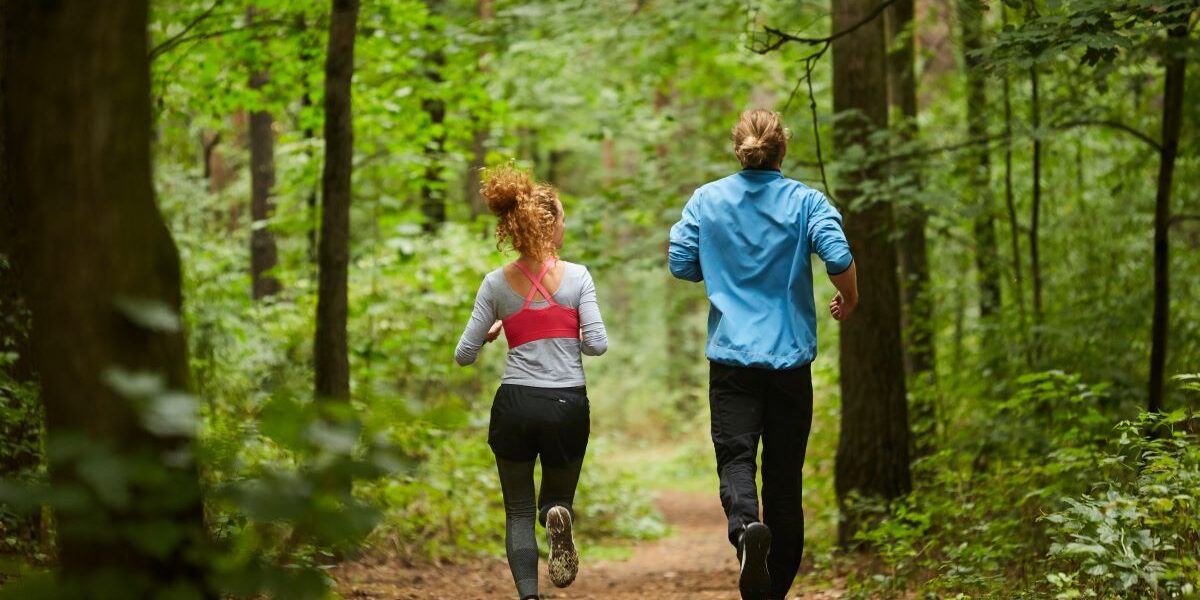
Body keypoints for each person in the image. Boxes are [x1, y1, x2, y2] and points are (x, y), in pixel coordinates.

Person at [667, 109, 858, 600]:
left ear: (739, 150)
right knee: (783, 480)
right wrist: (851, 298)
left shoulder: (706, 200)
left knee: (735, 460)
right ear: (782, 150)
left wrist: (720, 266)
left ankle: (745, 530)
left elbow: (681, 264)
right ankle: (771, 592)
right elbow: (838, 258)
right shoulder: (806, 201)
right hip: (790, 363)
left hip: (731, 361)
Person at [455, 165, 608, 600]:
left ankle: (528, 595)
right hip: (567, 404)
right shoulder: (578, 277)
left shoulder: (494, 284)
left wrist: (488, 337)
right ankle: (557, 513)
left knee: (517, 511)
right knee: (552, 499)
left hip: (516, 404)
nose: (565, 225)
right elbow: (597, 345)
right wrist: (567, 327)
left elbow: (463, 355)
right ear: (549, 226)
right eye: (561, 218)